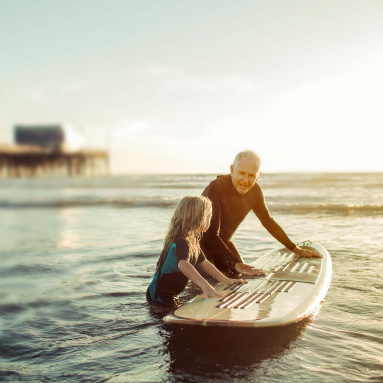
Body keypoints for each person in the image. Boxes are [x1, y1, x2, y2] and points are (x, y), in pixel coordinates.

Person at [201, 150, 322, 276]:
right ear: (232, 169)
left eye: (251, 175)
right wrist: (236, 264)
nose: (245, 180)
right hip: (199, 246)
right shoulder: (217, 188)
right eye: (242, 173)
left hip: (223, 244)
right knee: (211, 280)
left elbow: (268, 222)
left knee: (241, 275)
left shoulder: (255, 192)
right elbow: (210, 234)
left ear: (258, 175)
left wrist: (294, 248)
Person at [147, 196, 247, 307]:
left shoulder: (192, 240)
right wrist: (207, 288)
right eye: (208, 217)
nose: (210, 220)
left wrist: (226, 280)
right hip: (160, 295)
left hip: (169, 293)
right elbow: (183, 264)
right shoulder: (181, 242)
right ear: (197, 218)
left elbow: (204, 263)